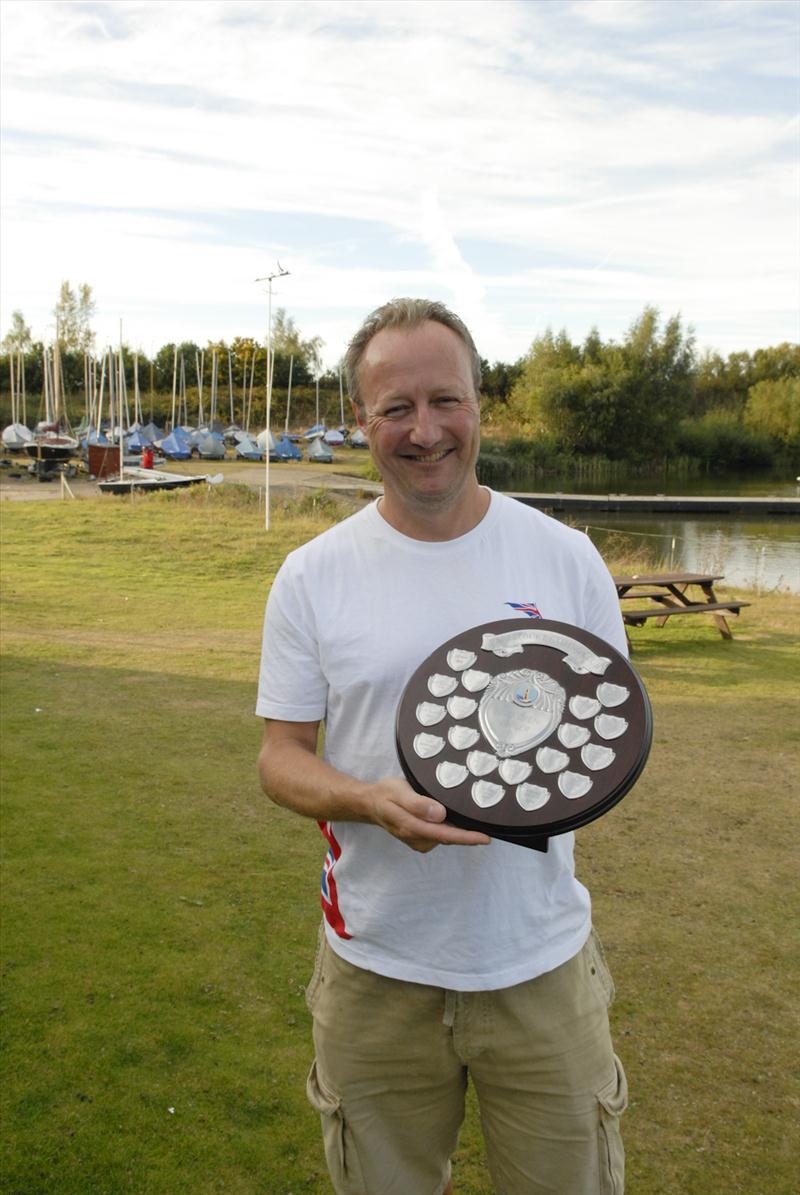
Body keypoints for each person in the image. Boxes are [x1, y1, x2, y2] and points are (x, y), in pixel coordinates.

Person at [256, 298, 628, 1195]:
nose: (424, 431)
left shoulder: (566, 558)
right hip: (376, 967)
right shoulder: (313, 574)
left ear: (479, 404)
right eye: (395, 408)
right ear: (363, 421)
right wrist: (365, 799)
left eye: (445, 401)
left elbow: (607, 734)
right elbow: (281, 756)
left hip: (539, 962)